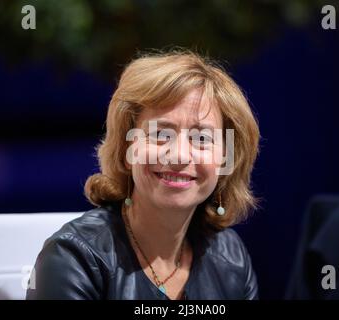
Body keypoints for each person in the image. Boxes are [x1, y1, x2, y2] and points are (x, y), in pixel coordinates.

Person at [26, 50, 261, 300]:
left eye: (201, 139)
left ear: (226, 159)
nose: (179, 155)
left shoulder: (231, 257)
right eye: (161, 134)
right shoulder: (73, 257)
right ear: (127, 149)